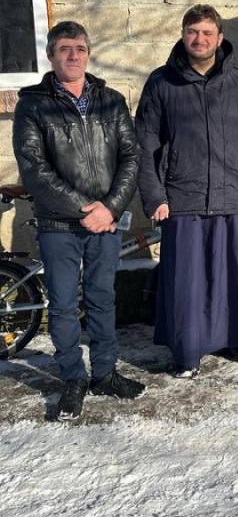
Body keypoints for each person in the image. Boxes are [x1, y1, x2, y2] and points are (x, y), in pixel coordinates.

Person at [12, 21, 143, 421]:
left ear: (88, 54)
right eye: (65, 48)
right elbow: (34, 169)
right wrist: (87, 209)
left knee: (103, 299)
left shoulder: (111, 101)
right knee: (64, 306)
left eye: (80, 48)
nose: (73, 55)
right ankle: (73, 378)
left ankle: (104, 373)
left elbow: (131, 157)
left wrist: (110, 208)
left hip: (105, 223)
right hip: (58, 225)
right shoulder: (33, 105)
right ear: (51, 55)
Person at [135, 5, 238, 378]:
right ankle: (187, 352)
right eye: (193, 32)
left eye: (207, 33)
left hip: (233, 191)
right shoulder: (162, 83)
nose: (200, 39)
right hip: (183, 195)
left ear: (220, 38)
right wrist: (154, 196)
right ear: (183, 35)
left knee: (235, 276)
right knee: (187, 281)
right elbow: (145, 145)